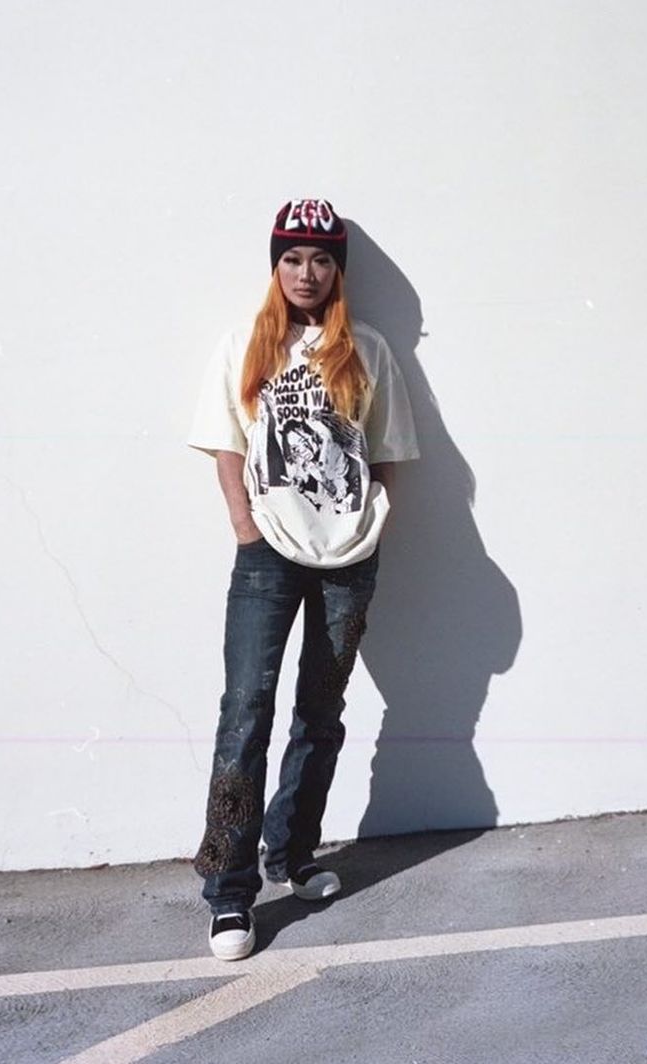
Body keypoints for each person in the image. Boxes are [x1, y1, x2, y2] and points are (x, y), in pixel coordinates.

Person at [187, 198, 419, 960]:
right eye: (292, 259)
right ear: (275, 266)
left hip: (350, 557)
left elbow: (387, 450)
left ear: (337, 270)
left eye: (321, 260)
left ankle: (291, 853)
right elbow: (226, 445)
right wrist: (244, 525)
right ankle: (229, 891)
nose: (306, 273)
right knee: (245, 712)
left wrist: (372, 521)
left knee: (321, 712)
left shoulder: (368, 349)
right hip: (268, 555)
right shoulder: (245, 346)